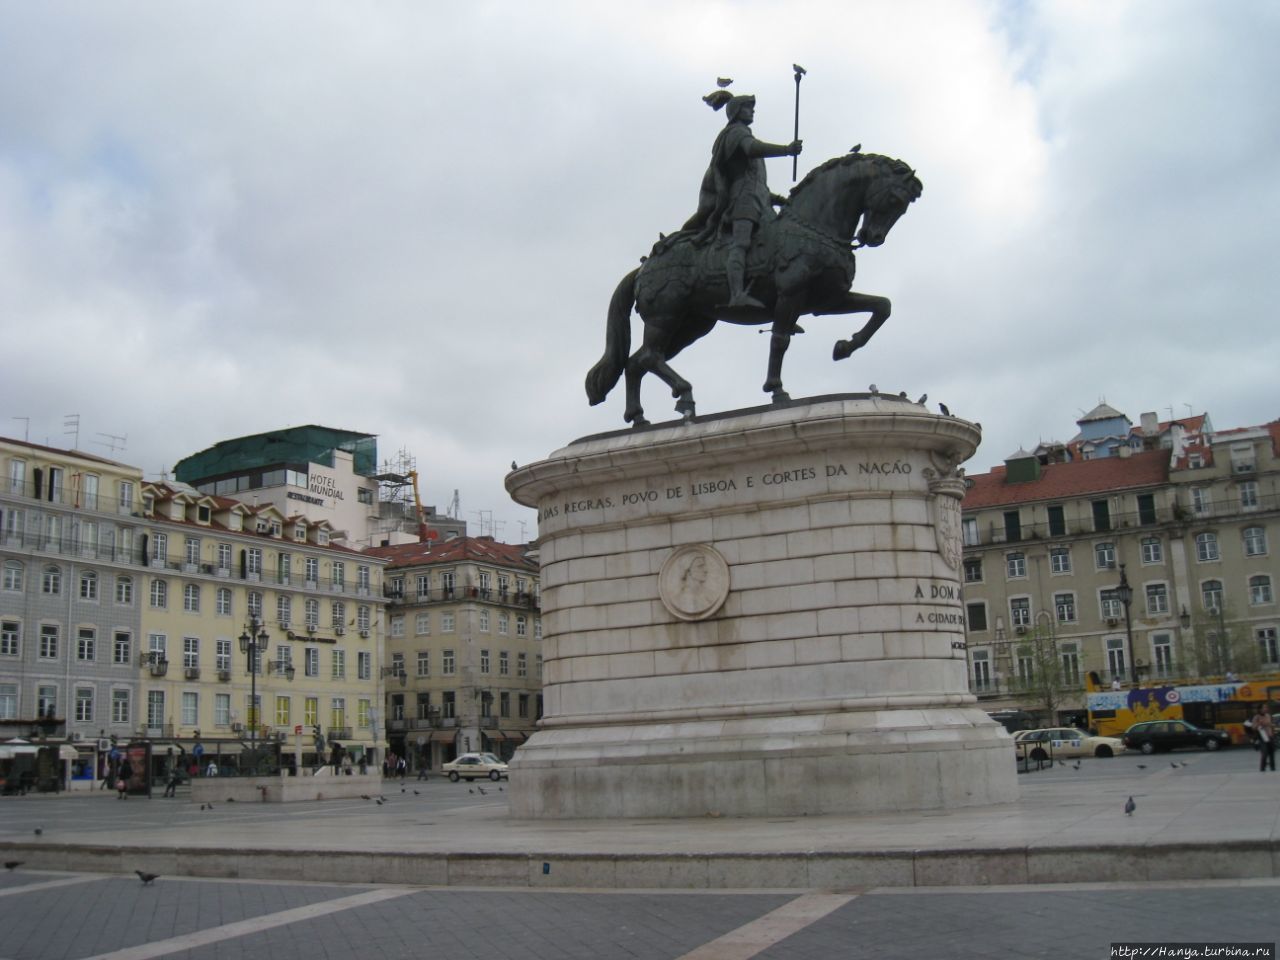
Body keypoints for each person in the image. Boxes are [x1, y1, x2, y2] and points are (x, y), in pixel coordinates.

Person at [682, 89, 801, 309]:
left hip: (757, 202)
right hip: (741, 203)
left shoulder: (743, 134)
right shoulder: (736, 134)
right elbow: (753, 149)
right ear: (737, 112)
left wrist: (780, 199)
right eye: (748, 108)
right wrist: (786, 150)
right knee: (742, 243)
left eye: (752, 108)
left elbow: (757, 185)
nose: (752, 111)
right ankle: (736, 294)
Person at [1253, 704, 1275, 772]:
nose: (1266, 709)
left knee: (1271, 753)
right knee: (1264, 753)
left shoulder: (1268, 715)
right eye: (1264, 707)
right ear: (1260, 709)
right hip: (1262, 737)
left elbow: (1270, 725)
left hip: (1270, 736)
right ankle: (1262, 768)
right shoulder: (1256, 717)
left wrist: (1271, 728)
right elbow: (1253, 727)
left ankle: (1272, 768)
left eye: (1266, 707)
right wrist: (1259, 723)